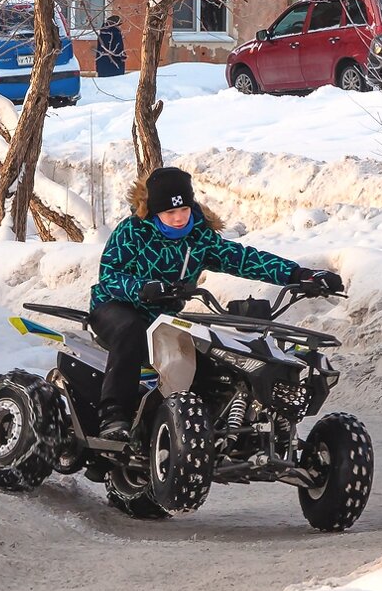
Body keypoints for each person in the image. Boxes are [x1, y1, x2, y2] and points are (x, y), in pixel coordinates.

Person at [87, 167, 344, 441]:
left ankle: (204, 426)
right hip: (115, 308)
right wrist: (142, 289)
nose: (177, 219)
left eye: (183, 210)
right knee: (131, 330)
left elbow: (244, 258)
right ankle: (114, 416)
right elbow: (109, 277)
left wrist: (300, 275)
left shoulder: (200, 238)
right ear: (153, 210)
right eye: (169, 213)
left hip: (163, 318)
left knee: (208, 357)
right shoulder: (132, 232)